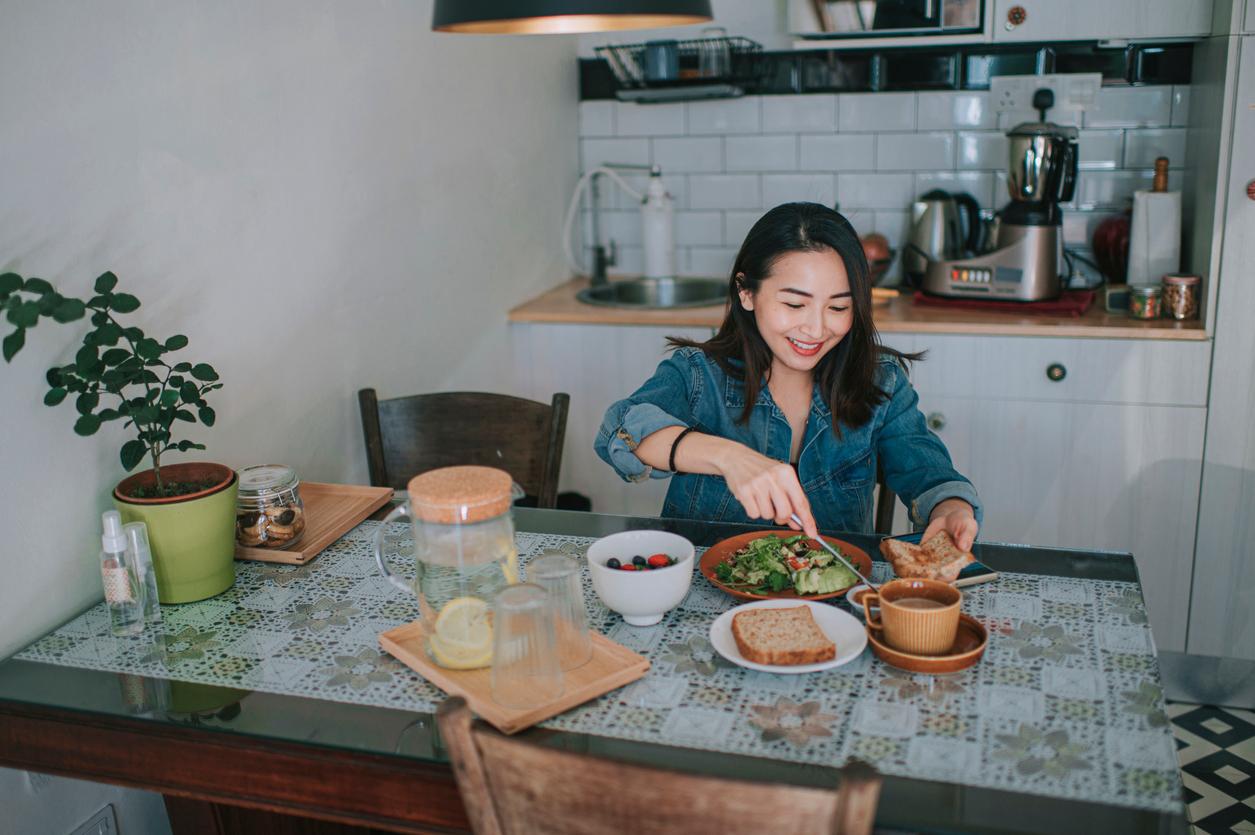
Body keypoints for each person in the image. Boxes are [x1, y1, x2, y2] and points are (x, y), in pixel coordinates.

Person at [594, 202, 981, 549]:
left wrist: (951, 507)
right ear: (746, 293)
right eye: (795, 303)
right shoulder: (699, 375)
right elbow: (621, 431)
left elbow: (929, 473)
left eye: (838, 307)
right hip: (704, 603)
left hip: (832, 603)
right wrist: (728, 458)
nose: (815, 329)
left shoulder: (881, 382)